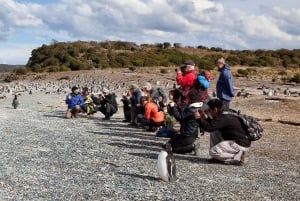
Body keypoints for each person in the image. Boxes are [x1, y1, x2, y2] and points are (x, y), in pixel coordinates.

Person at [194, 99, 251, 165]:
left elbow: (208, 128)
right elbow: (213, 126)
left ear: (215, 109)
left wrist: (198, 118)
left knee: (213, 152)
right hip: (237, 140)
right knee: (214, 132)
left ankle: (240, 157)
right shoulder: (226, 112)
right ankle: (218, 158)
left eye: (210, 110)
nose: (209, 112)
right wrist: (206, 118)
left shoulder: (224, 117)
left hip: (240, 144)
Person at [164, 89, 203, 155]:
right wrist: (176, 107)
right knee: (169, 144)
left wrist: (173, 107)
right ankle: (189, 145)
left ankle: (192, 147)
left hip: (188, 135)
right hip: (187, 133)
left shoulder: (192, 109)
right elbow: (183, 115)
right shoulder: (195, 107)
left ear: (191, 99)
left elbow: (180, 117)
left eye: (188, 97)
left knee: (174, 149)